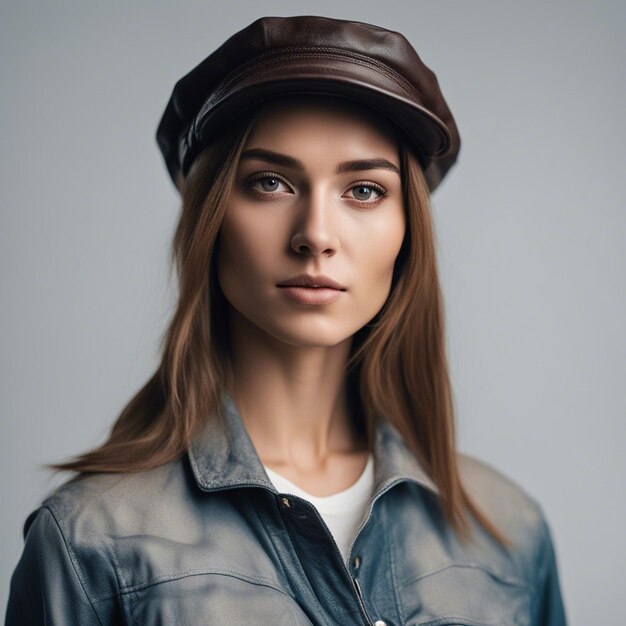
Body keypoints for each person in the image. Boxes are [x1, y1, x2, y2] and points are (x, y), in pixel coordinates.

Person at [5, 15, 567, 625]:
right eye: (269, 182)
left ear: (409, 233)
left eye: (365, 191)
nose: (316, 236)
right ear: (211, 220)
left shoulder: (510, 534)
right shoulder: (92, 541)